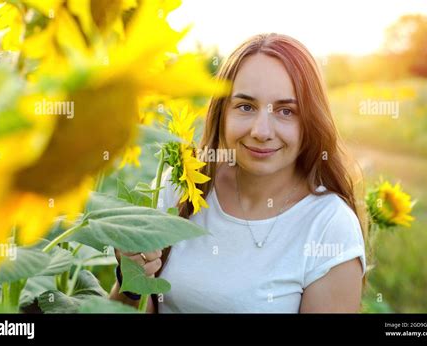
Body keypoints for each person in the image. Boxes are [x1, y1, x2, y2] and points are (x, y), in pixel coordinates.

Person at [110, 33, 367, 313]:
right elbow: (130, 305)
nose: (261, 132)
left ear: (310, 120)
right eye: (245, 107)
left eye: (285, 111)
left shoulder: (327, 226)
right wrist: (132, 279)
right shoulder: (182, 182)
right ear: (222, 112)